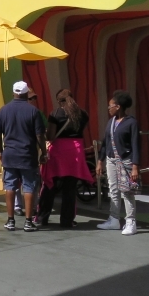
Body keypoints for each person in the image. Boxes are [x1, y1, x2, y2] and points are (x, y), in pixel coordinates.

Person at [0, 80, 46, 232]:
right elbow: (40, 135)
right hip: (28, 155)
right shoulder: (33, 111)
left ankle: (10, 220)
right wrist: (44, 152)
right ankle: (28, 222)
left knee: (10, 186)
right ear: (26, 93)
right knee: (29, 187)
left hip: (10, 155)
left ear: (13, 93)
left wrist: (1, 151)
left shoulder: (3, 110)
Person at [38, 89, 94, 228]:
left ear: (59, 101)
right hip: (75, 152)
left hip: (58, 152)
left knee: (50, 185)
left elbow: (50, 136)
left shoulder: (56, 113)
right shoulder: (83, 114)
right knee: (70, 188)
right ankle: (67, 221)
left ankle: (42, 218)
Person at [97, 89, 140, 236]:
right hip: (111, 160)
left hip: (126, 160)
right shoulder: (111, 122)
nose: (108, 108)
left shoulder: (131, 122)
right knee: (113, 189)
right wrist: (100, 161)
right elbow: (105, 142)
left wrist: (135, 166)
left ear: (118, 106)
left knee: (127, 191)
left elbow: (136, 145)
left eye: (110, 106)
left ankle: (131, 222)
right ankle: (114, 219)